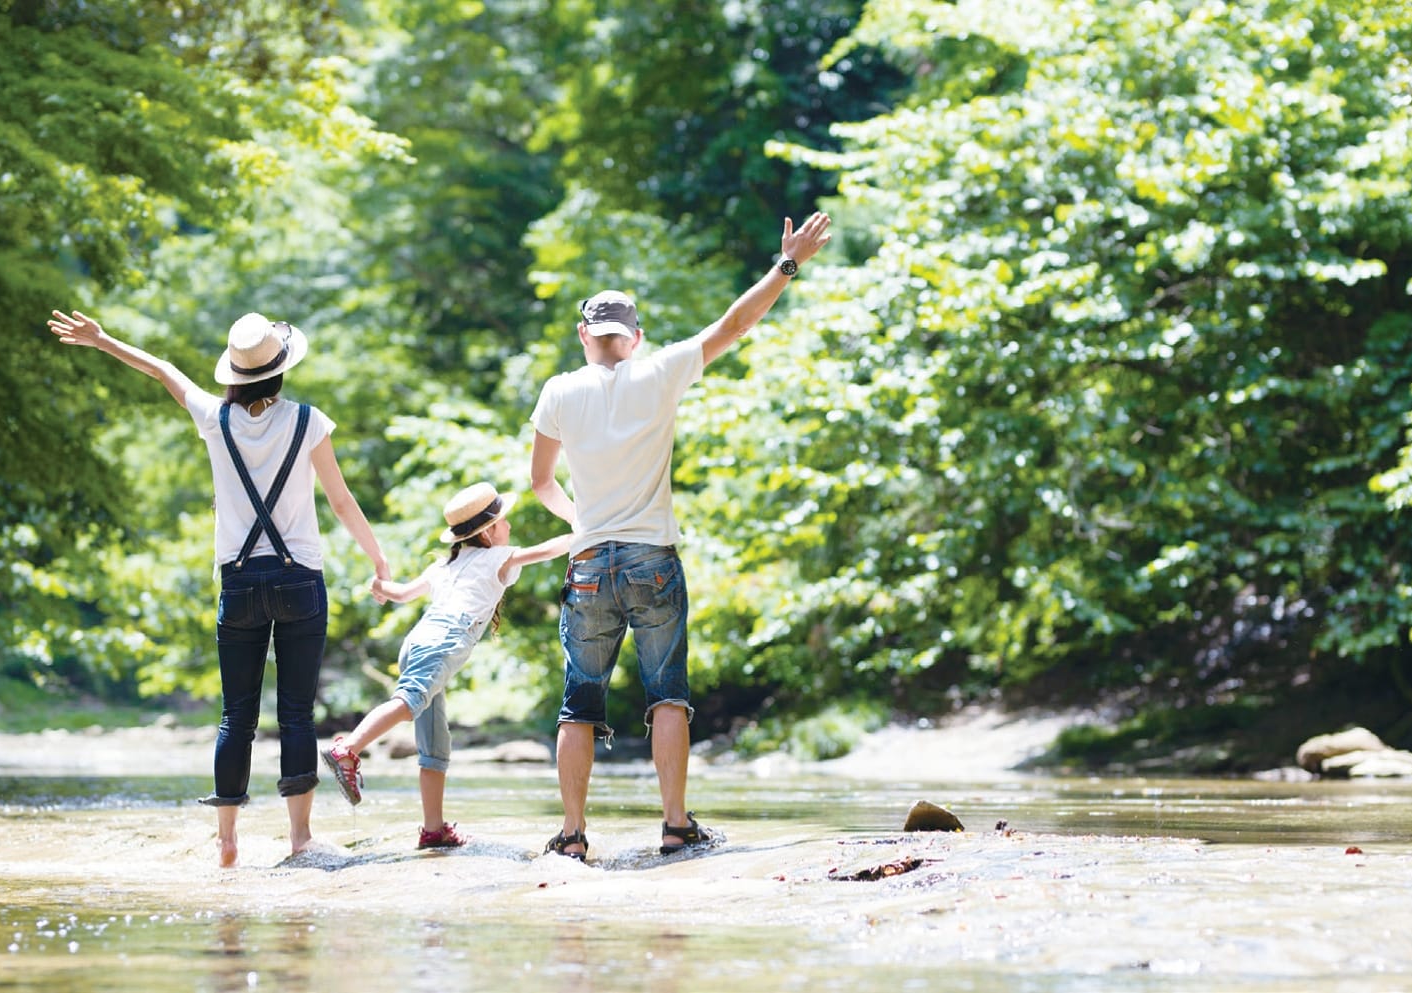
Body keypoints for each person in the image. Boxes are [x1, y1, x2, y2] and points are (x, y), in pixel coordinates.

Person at [529, 211, 833, 860]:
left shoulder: (558, 391)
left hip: (587, 562)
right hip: (652, 559)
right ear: (634, 337)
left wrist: (578, 522)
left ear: (586, 335)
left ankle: (574, 833)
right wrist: (787, 264)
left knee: (578, 701)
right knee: (667, 692)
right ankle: (674, 825)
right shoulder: (662, 369)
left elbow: (539, 483)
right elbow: (736, 324)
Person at [46, 309, 391, 867]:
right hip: (299, 576)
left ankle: (227, 840)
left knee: (237, 716)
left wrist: (102, 340)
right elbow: (341, 501)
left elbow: (163, 370)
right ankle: (300, 839)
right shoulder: (308, 421)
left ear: (232, 374)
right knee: (298, 713)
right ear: (280, 370)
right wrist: (379, 561)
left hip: (238, 582)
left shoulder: (215, 417)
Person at [320, 482, 571, 849]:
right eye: (504, 522)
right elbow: (546, 550)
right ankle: (349, 748)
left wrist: (380, 586)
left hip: (419, 639)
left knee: (434, 746)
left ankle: (433, 829)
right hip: (444, 642)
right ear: (488, 532)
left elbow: (402, 593)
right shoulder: (496, 557)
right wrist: (583, 532)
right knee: (409, 702)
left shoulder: (445, 564)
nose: (510, 528)